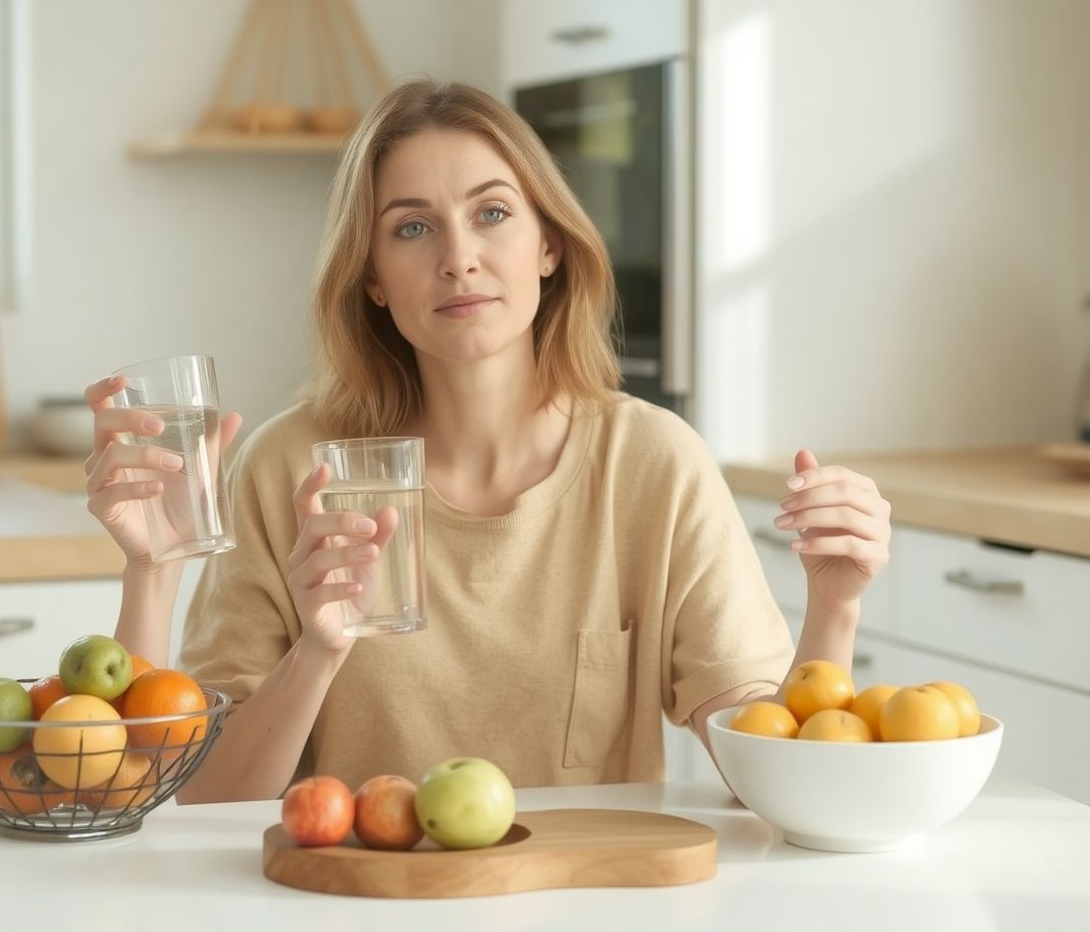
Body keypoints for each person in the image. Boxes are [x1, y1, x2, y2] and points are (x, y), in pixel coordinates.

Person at [83, 80, 892, 804]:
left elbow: (771, 780)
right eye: (411, 229)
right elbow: (204, 798)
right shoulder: (290, 469)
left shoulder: (654, 463)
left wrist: (835, 608)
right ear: (370, 277)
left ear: (549, 246)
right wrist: (317, 653)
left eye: (493, 214)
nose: (458, 259)